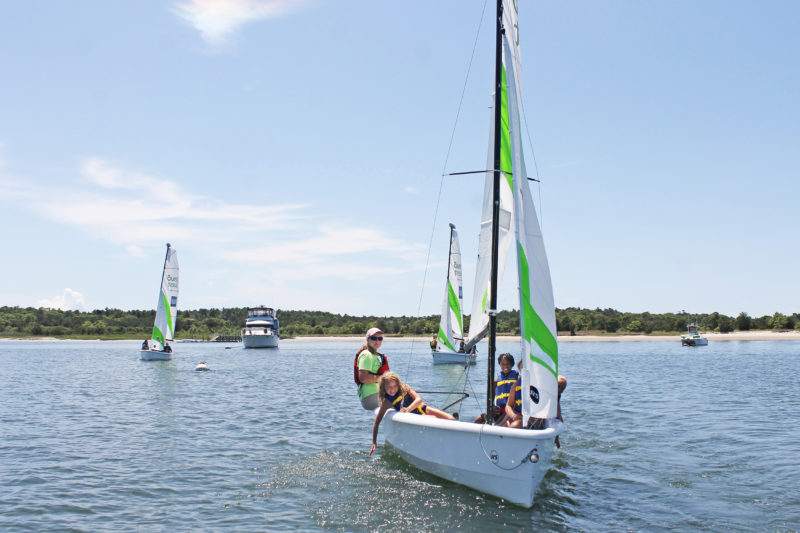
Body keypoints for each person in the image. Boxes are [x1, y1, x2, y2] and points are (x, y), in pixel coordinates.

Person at [369, 371, 455, 455]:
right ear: (383, 388)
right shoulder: (387, 402)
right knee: (435, 420)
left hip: (424, 410)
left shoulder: (405, 388)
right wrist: (374, 442)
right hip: (415, 418)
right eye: (389, 387)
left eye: (395, 386)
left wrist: (408, 409)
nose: (392, 389)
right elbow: (376, 422)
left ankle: (453, 442)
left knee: (451, 419)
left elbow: (419, 399)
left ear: (398, 384)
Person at [474, 352, 518, 425]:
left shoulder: (517, 378)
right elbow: (491, 399)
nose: (505, 366)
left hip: (511, 410)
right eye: (503, 364)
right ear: (500, 365)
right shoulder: (496, 382)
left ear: (512, 364)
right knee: (478, 420)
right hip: (500, 409)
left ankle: (497, 427)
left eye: (507, 364)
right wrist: (493, 407)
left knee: (499, 424)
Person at [356, 327, 388, 410]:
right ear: (368, 339)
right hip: (370, 396)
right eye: (374, 338)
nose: (377, 341)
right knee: (405, 404)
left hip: (376, 394)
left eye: (380, 338)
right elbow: (363, 378)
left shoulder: (373, 355)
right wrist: (385, 379)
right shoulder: (367, 355)